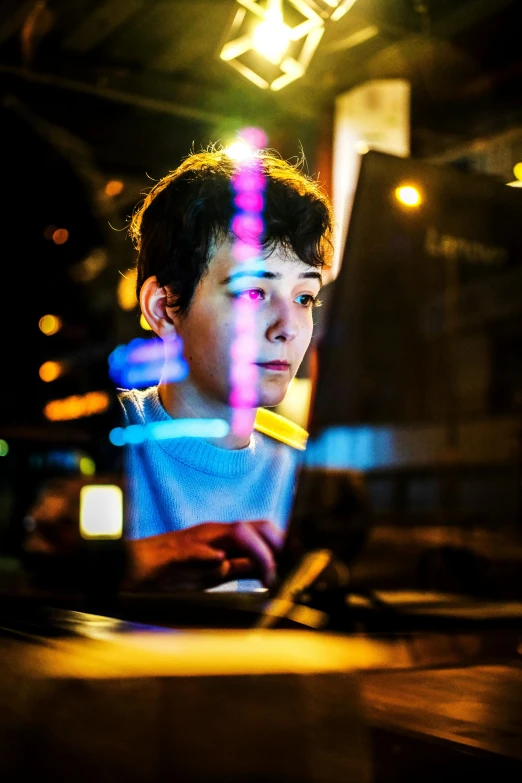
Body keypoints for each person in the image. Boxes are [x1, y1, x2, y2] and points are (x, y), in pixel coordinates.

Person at [120, 147, 333, 591]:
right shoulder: (94, 450)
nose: (288, 328)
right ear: (163, 308)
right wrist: (127, 567)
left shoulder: (312, 475)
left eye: (304, 297)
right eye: (254, 292)